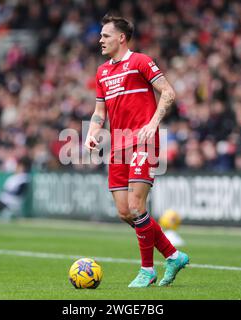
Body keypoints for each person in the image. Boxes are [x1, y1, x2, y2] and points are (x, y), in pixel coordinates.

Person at [84, 14, 189, 288]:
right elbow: (99, 112)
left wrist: (152, 124)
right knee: (124, 212)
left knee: (136, 205)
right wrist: (92, 133)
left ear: (121, 37)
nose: (100, 40)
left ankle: (147, 270)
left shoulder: (140, 61)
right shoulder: (102, 72)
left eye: (105, 35)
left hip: (143, 142)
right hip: (118, 146)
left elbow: (168, 93)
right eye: (100, 35)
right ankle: (173, 255)